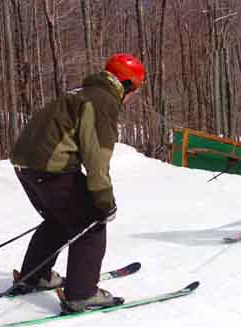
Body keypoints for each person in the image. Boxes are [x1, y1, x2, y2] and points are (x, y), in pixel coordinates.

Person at [9, 53, 145, 313]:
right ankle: (82, 293)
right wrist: (104, 202)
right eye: (135, 91)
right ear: (127, 85)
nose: (132, 97)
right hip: (51, 168)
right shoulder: (103, 100)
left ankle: (34, 276)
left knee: (59, 220)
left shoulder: (81, 92)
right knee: (91, 222)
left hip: (25, 166)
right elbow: (97, 157)